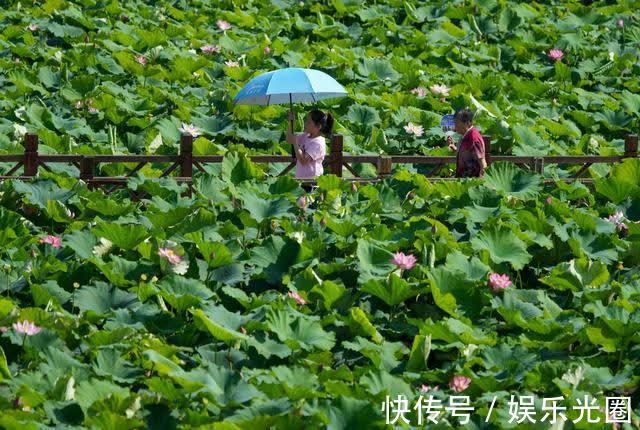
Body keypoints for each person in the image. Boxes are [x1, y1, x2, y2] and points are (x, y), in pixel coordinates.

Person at [286, 109, 333, 190]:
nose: (305, 124)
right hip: (301, 181)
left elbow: (303, 160)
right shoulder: (306, 136)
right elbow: (289, 139)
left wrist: (296, 144)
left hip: (311, 183)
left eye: (309, 122)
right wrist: (291, 122)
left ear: (318, 126)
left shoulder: (318, 143)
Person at [446, 108, 487, 178]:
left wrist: (479, 184)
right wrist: (455, 149)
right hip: (463, 179)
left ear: (467, 123)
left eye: (457, 123)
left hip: (471, 181)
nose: (455, 126)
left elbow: (483, 164)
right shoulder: (465, 135)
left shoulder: (473, 138)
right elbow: (468, 154)